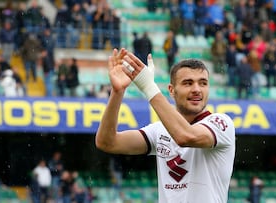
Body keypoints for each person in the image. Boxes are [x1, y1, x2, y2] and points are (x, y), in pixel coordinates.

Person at [95, 48, 236, 203]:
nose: (197, 89)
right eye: (188, 83)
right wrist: (117, 92)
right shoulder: (159, 131)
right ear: (171, 90)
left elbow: (185, 136)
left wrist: (149, 87)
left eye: (203, 83)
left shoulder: (221, 124)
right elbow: (107, 142)